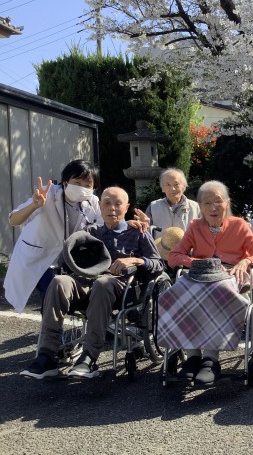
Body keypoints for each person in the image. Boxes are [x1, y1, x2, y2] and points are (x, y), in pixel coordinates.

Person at [20, 186, 164, 379]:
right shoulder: (90, 232)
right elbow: (67, 260)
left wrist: (136, 260)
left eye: (118, 204)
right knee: (59, 282)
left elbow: (158, 264)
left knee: (102, 284)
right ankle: (47, 355)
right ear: (100, 206)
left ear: (127, 207)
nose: (112, 208)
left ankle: (89, 357)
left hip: (121, 286)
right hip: (88, 282)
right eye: (107, 203)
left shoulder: (138, 232)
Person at [166, 180, 253, 384]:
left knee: (214, 291)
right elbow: (174, 257)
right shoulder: (195, 226)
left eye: (218, 201)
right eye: (207, 203)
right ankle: (192, 357)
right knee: (180, 293)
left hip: (231, 276)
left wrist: (246, 260)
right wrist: (200, 263)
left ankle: (210, 360)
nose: (213, 207)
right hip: (200, 276)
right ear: (200, 206)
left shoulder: (239, 225)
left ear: (227, 203)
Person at [4, 160, 102, 314]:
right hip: (39, 258)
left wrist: (128, 223)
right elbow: (13, 220)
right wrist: (34, 206)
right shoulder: (48, 194)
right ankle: (51, 329)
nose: (81, 188)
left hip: (70, 260)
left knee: (79, 294)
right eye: (77, 182)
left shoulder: (92, 202)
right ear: (65, 182)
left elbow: (106, 225)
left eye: (87, 185)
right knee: (52, 290)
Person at [134, 168, 200, 239]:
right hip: (159, 246)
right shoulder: (153, 207)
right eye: (168, 185)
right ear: (162, 188)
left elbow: (203, 233)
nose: (173, 189)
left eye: (176, 184)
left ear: (184, 186)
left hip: (188, 246)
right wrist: (144, 225)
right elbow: (145, 236)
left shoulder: (196, 207)